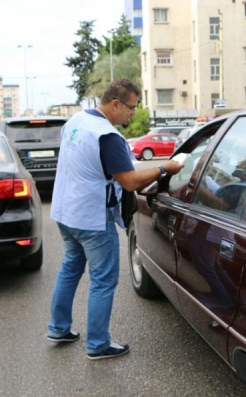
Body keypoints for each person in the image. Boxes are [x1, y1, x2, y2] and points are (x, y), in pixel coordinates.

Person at [47, 79, 184, 360]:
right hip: (92, 219)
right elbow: (129, 181)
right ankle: (98, 344)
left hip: (65, 212)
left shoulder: (76, 121)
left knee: (70, 269)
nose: (133, 113)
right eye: (131, 107)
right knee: (103, 280)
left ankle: (58, 329)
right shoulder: (107, 136)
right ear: (115, 104)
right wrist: (164, 168)